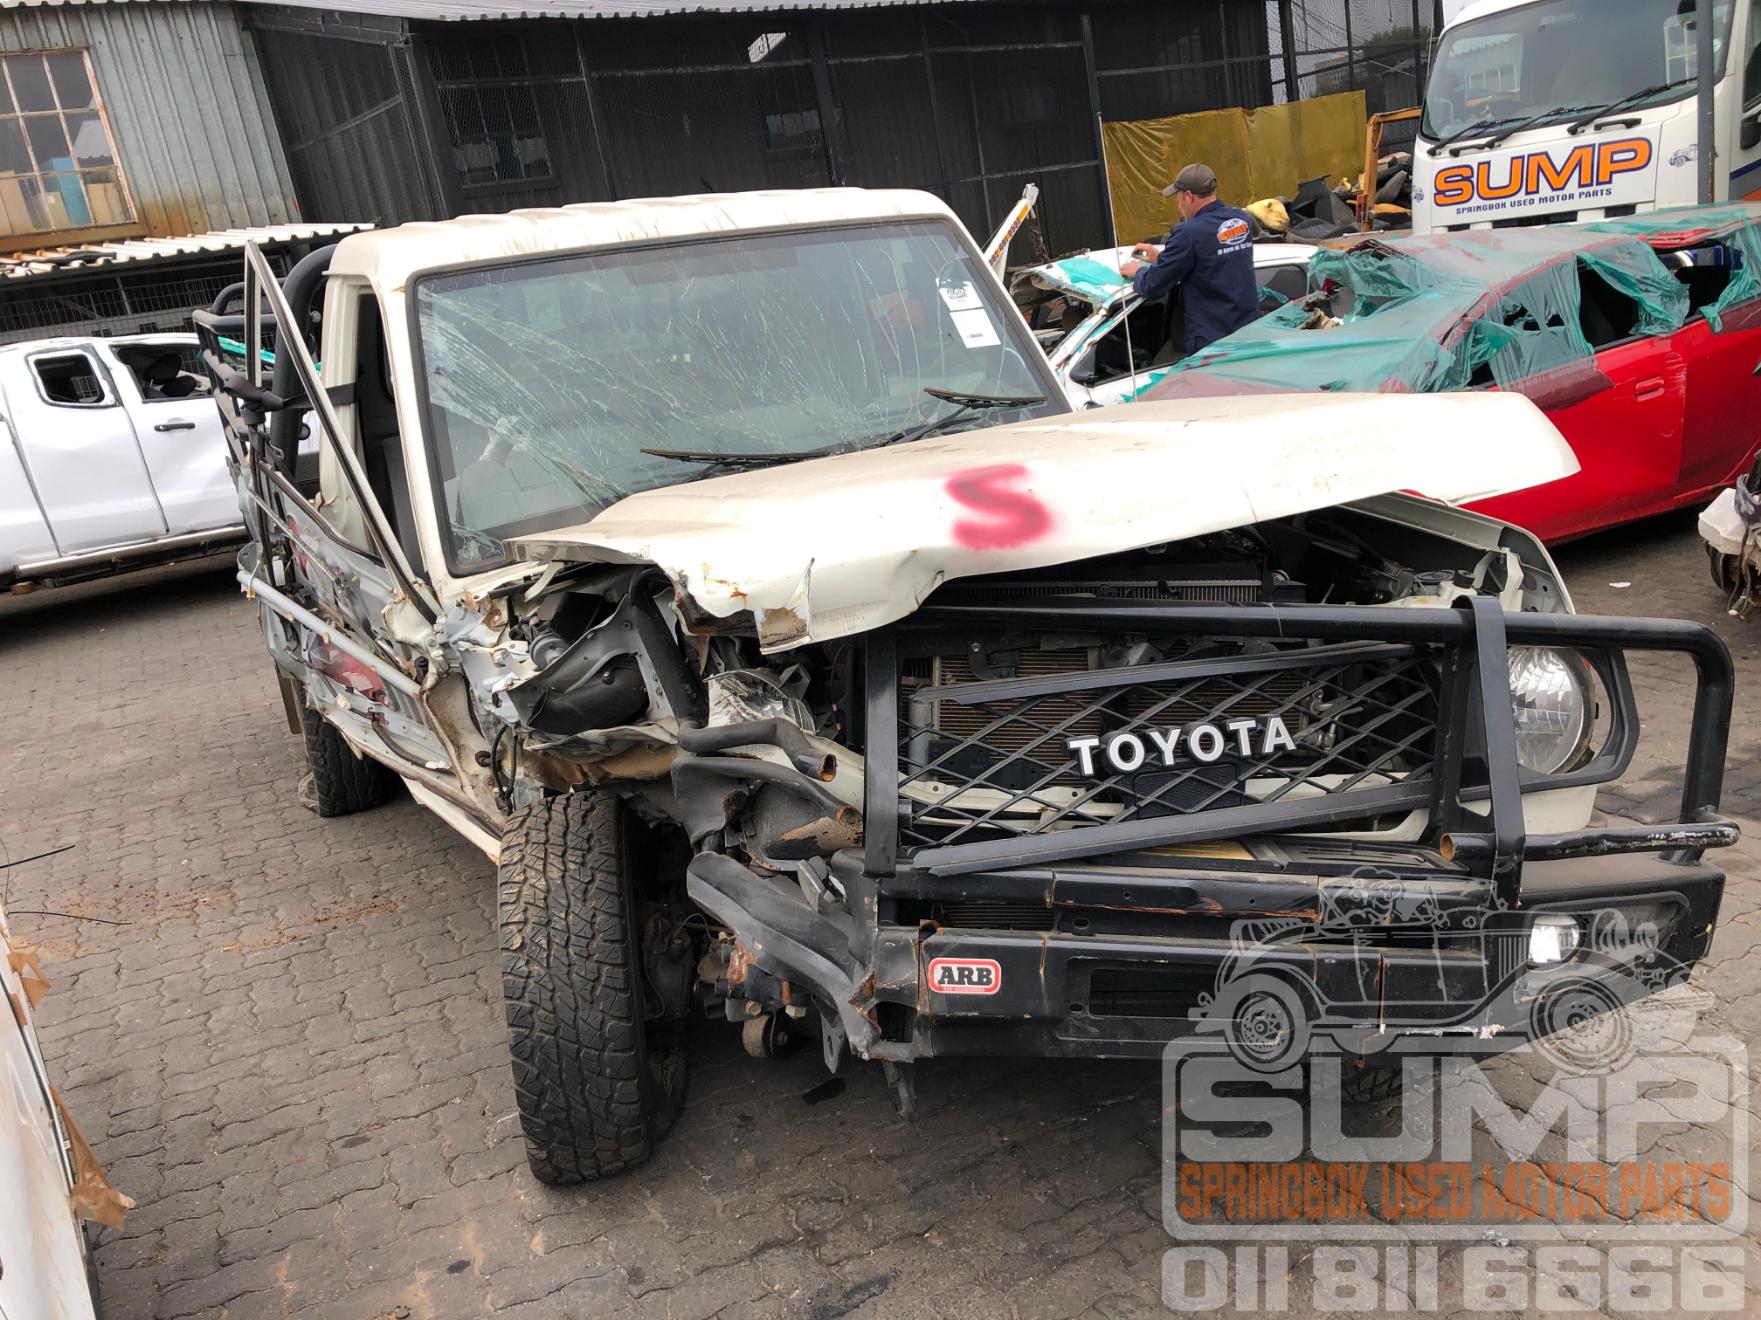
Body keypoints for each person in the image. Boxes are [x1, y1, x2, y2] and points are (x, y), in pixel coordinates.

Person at [1118, 163, 1259, 356]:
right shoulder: (1241, 219)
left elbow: (1153, 286)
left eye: (1177, 197)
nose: (1178, 204)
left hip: (1214, 343)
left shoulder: (1188, 233)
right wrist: (1161, 258)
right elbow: (1214, 261)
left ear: (1188, 196)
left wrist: (1138, 271)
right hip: (1248, 333)